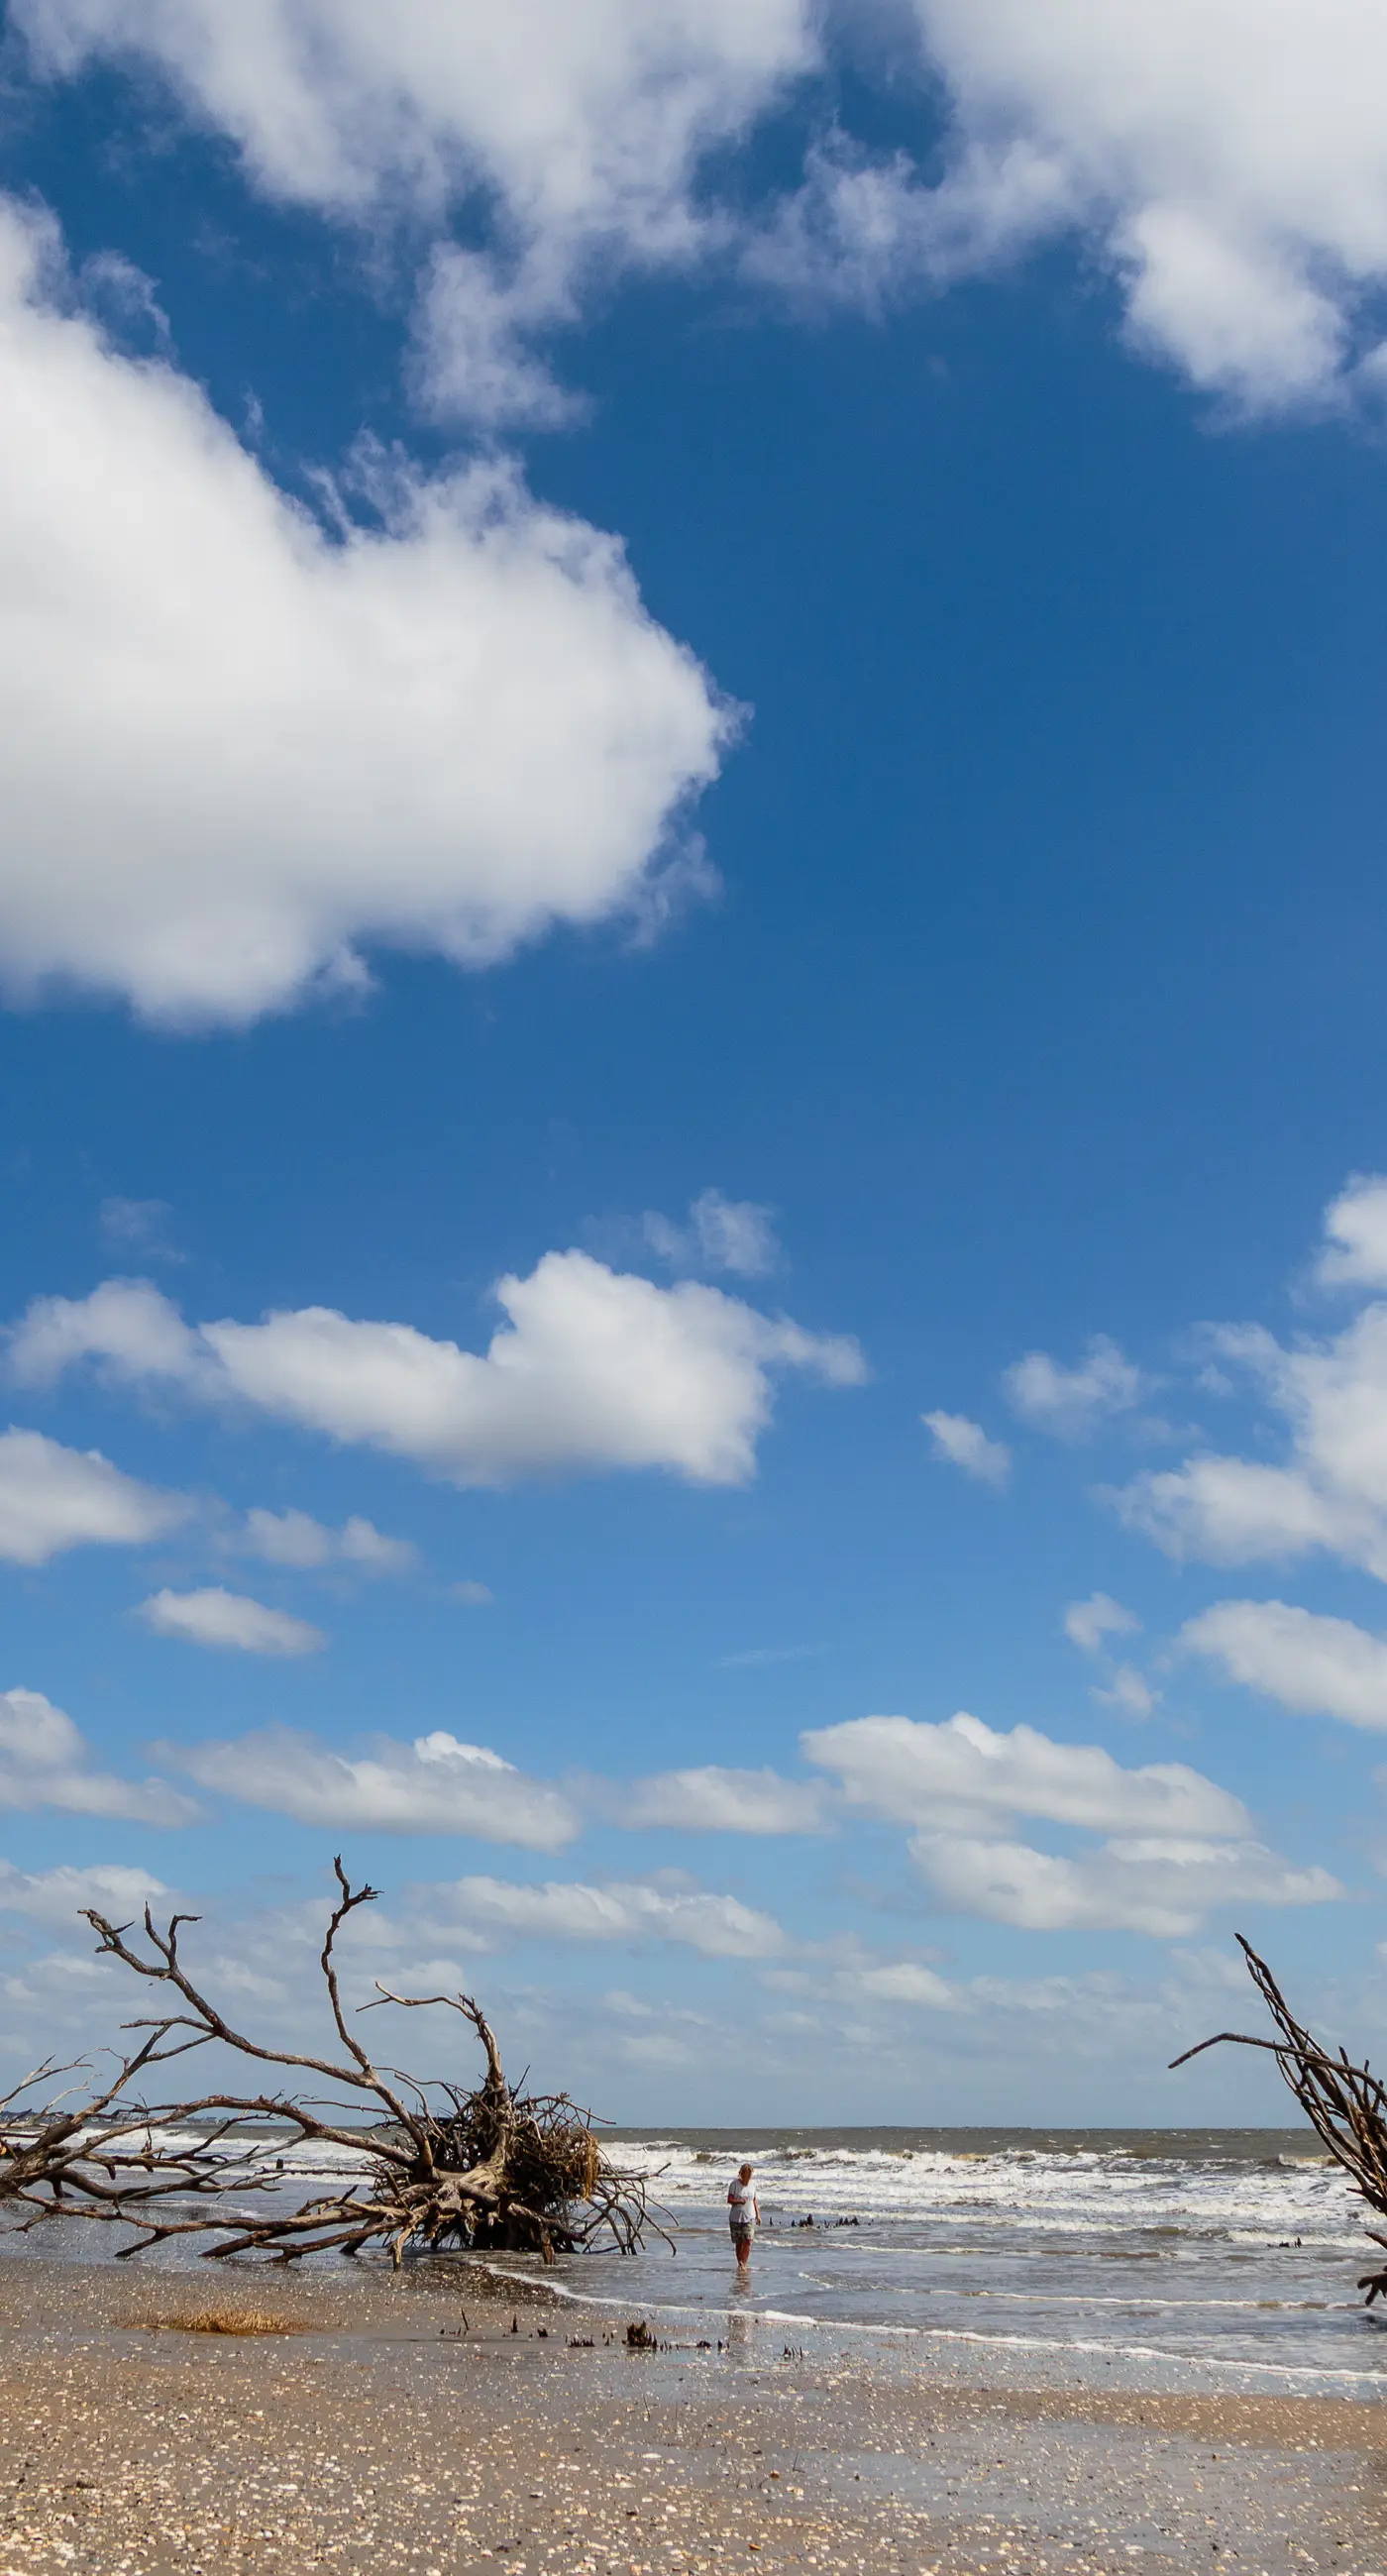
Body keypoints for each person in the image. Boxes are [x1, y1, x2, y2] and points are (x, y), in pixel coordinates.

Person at [727, 2161, 759, 2271]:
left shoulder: (753, 2184)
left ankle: (743, 2263)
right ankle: (740, 2262)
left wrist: (758, 2216)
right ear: (741, 2173)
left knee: (748, 2241)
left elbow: (754, 2200)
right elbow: (729, 2200)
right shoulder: (734, 2185)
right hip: (736, 2217)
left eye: (750, 2174)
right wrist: (739, 2201)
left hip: (750, 2217)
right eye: (746, 2173)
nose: (749, 2176)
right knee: (739, 2242)